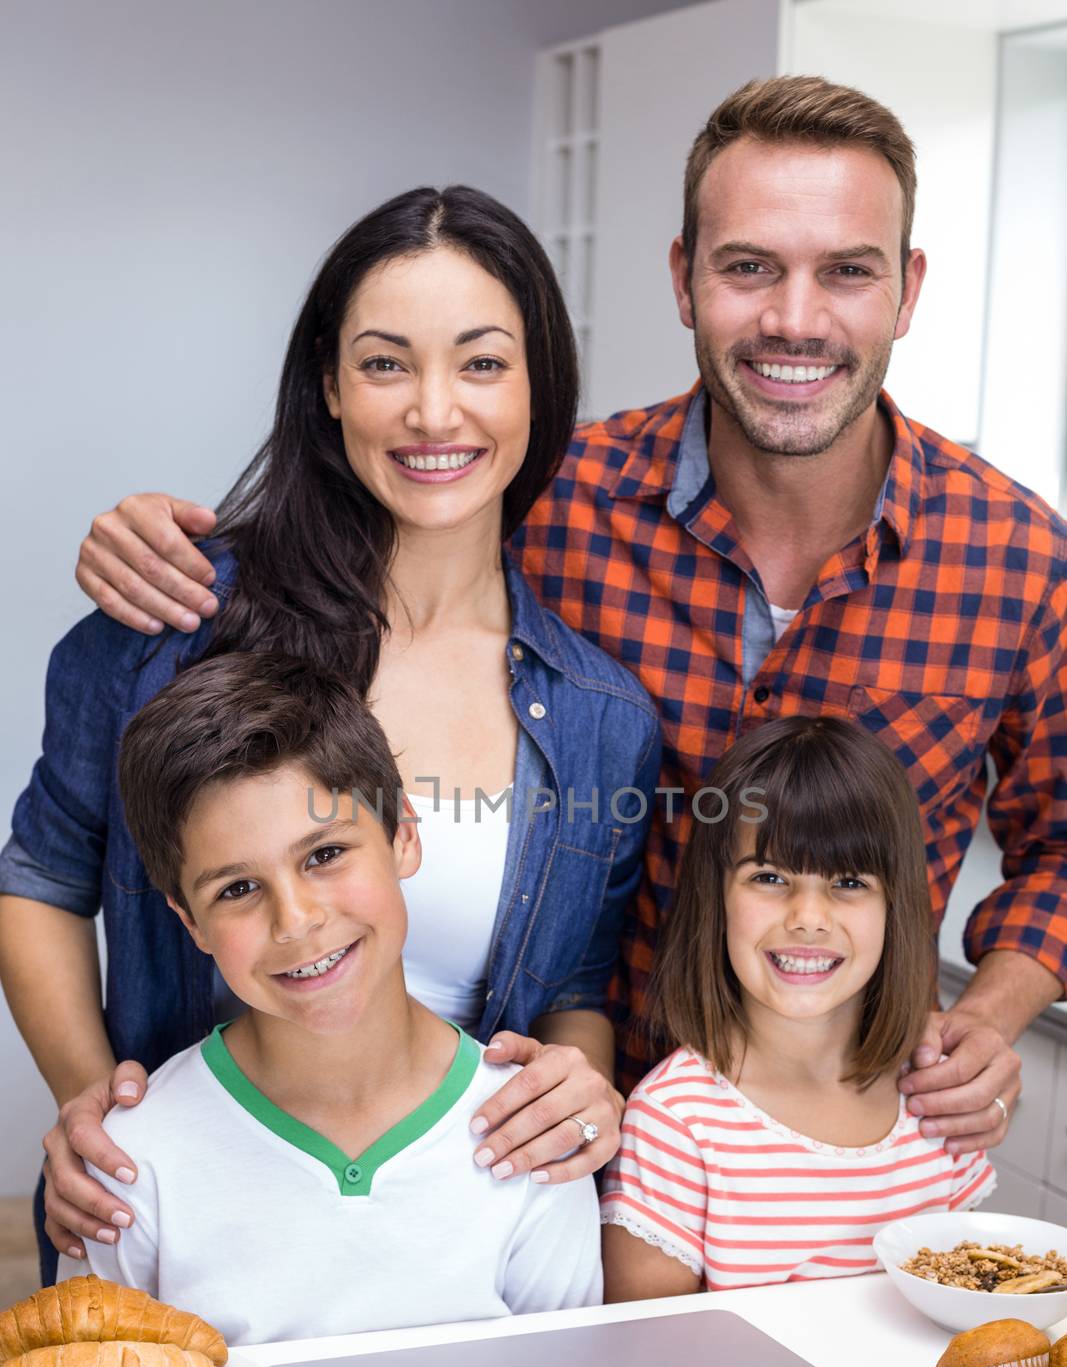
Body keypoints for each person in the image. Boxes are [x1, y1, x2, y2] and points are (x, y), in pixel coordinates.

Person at [67, 79, 1065, 1155]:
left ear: (905, 290)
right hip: (560, 1146)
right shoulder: (541, 495)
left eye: (846, 271)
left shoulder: (1016, 558)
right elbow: (370, 494)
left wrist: (982, 1014)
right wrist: (160, 542)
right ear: (683, 279)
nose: (791, 317)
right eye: (746, 267)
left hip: (842, 1147)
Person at [0, 186, 661, 1283]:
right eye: (386, 363)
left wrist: (575, 1081)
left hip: (447, 1231)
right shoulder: (172, 624)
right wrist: (94, 1104)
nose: (434, 412)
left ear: (540, 390)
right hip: (183, 1222)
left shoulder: (599, 717)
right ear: (329, 388)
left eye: (483, 363)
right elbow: (41, 880)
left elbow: (573, 988)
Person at [62, 652, 601, 1340]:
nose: (296, 921)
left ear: (402, 836)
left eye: (323, 855)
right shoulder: (132, 1164)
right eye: (236, 889)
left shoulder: (530, 1134)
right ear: (189, 921)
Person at [600, 716, 996, 1301]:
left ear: (898, 907)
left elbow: (972, 1303)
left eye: (850, 882)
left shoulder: (933, 1100)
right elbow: (647, 1364)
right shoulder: (675, 1121)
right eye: (769, 876)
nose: (808, 916)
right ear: (717, 899)